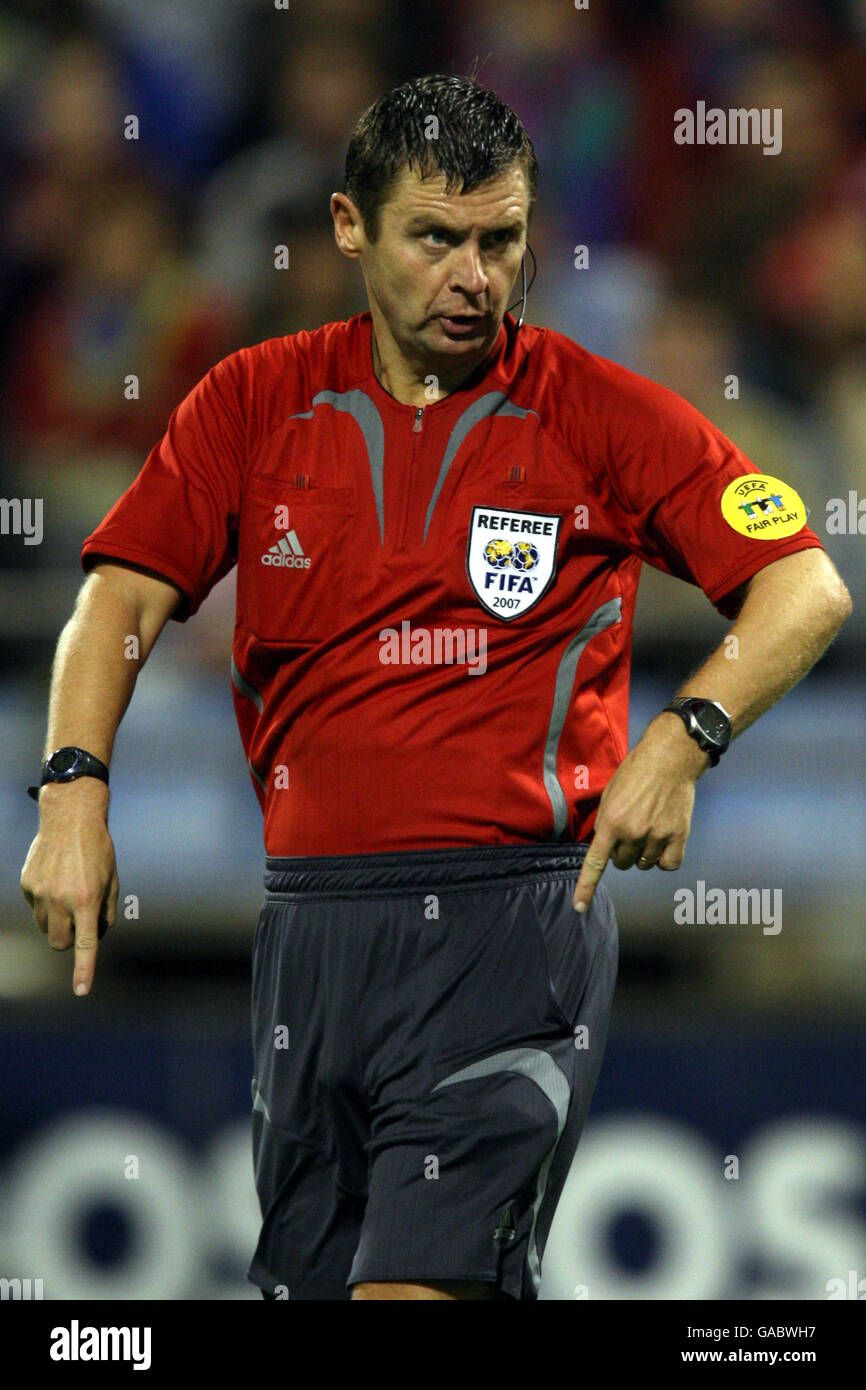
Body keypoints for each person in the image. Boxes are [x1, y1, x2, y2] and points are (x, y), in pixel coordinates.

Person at [20, 74, 852, 1301]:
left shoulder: (596, 412)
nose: (474, 275)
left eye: (499, 240)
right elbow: (119, 601)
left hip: (510, 929)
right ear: (352, 228)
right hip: (308, 930)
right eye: (436, 238)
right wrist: (72, 792)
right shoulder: (251, 403)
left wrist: (683, 736)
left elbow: (802, 583)